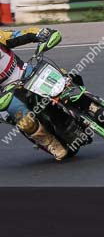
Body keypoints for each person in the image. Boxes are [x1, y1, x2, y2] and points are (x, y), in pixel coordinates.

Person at [0, 27, 67, 160]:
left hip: (27, 73)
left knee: (64, 76)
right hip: (6, 94)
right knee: (25, 121)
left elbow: (22, 34)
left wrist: (41, 33)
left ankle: (89, 101)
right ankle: (50, 143)